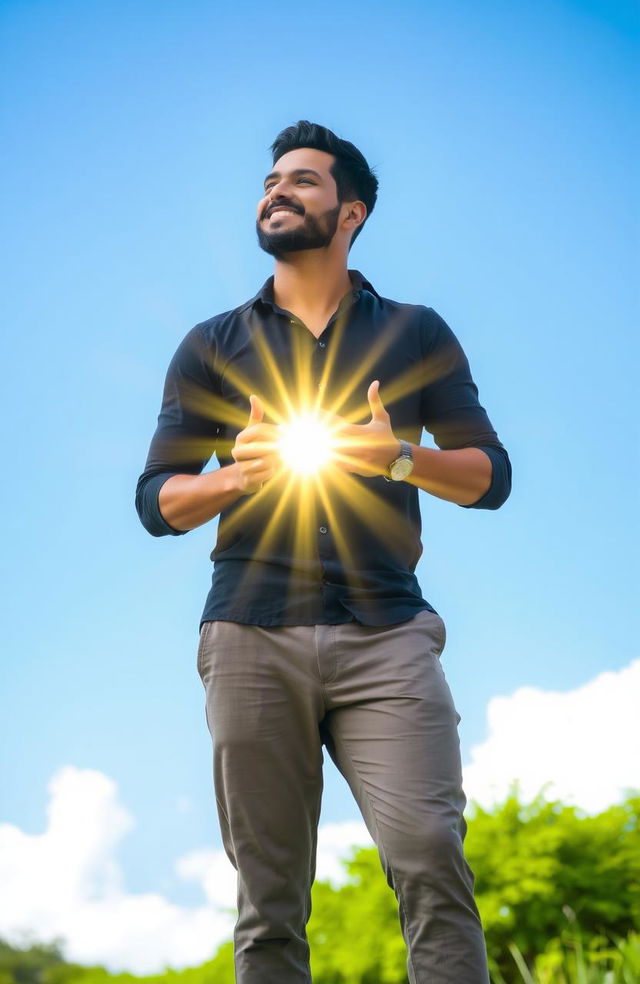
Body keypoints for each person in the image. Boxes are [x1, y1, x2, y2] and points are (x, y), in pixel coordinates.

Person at [136, 120, 511, 984]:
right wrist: (235, 477)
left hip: (388, 633)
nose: (277, 191)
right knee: (268, 900)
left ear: (352, 213)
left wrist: (401, 458)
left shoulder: (416, 333)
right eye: (271, 180)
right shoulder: (210, 344)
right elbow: (157, 501)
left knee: (428, 854)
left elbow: (490, 476)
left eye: (302, 181)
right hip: (249, 633)